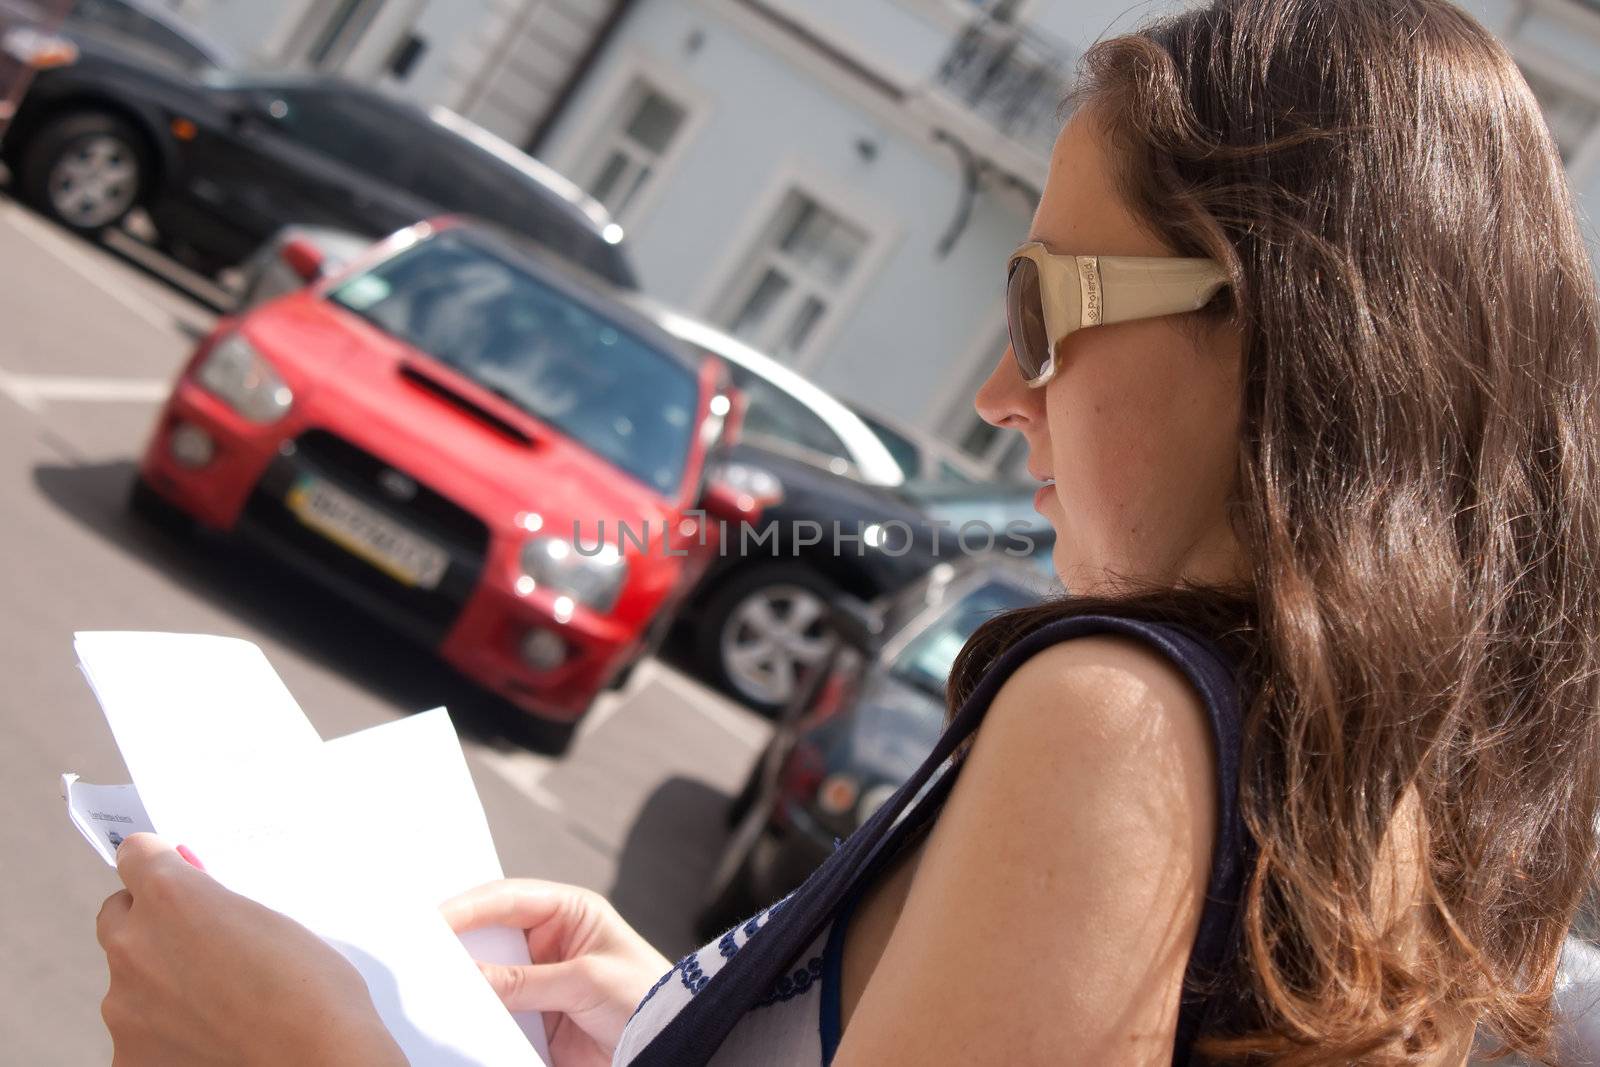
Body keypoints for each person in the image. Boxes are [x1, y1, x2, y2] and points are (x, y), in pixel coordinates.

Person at [93, 0, 1600, 1063]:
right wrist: (697, 1022)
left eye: (1048, 305)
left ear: (1288, 342)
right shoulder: (1370, 783)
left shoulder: (1122, 716)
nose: (1007, 392)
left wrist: (309, 1051)